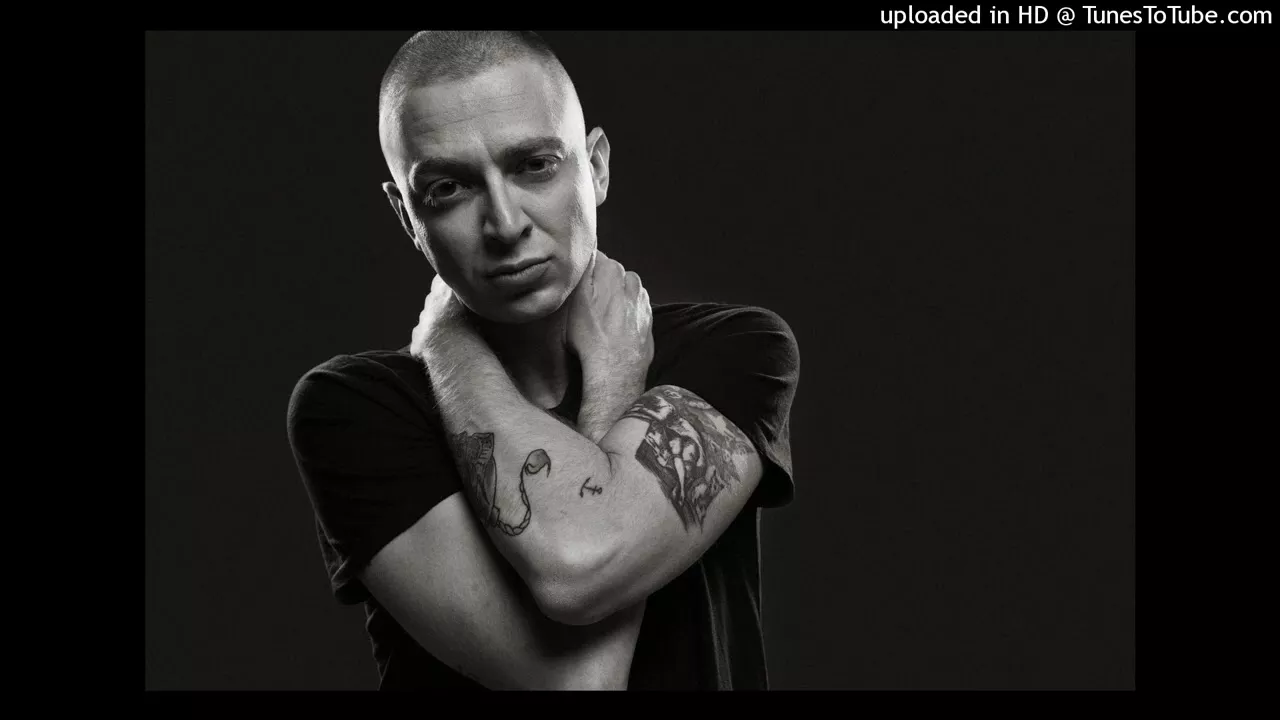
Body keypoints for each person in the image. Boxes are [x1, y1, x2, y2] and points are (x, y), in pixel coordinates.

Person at [286, 30, 800, 691]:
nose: (504, 225)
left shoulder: (731, 352)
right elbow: (579, 681)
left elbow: (586, 567)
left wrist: (451, 344)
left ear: (597, 167)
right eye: (448, 187)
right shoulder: (353, 410)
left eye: (534, 165)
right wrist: (453, 345)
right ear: (406, 216)